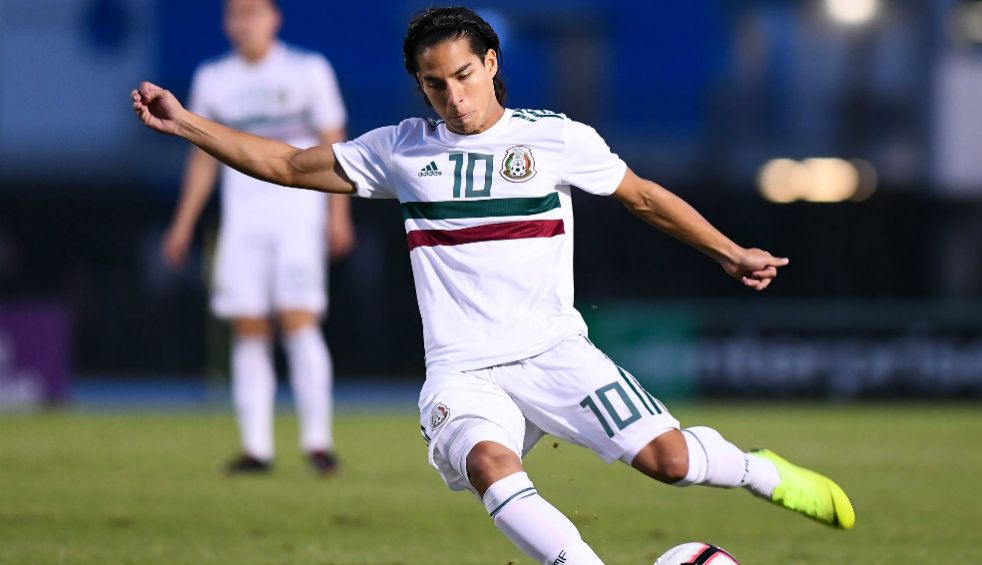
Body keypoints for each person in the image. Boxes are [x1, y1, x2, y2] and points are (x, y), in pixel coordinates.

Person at [133, 6, 855, 562]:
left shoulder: (553, 138)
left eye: (464, 75)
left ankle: (760, 470)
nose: (453, 96)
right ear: (420, 84)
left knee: (668, 462)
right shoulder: (401, 150)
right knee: (488, 462)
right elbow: (289, 166)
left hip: (555, 350)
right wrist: (190, 123)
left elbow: (641, 196)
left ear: (491, 62)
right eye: (434, 83)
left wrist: (727, 250)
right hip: (462, 369)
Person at [160, 0, 353, 476]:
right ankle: (256, 447)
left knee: (298, 319)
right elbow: (203, 156)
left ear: (274, 18)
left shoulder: (308, 70)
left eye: (253, 13)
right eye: (235, 15)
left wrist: (339, 215)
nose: (244, 23)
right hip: (242, 219)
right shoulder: (213, 78)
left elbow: (335, 144)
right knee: (247, 325)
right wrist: (184, 221)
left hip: (297, 214)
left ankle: (317, 441)